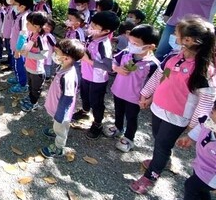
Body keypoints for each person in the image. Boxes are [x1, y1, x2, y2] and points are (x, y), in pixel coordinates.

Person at [130, 15, 216, 194]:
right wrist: (147, 94)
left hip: (177, 117)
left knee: (161, 145)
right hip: (158, 109)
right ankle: (163, 160)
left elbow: (206, 103)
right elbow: (160, 76)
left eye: (177, 34)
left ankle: (151, 175)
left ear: (189, 40)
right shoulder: (174, 57)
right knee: (159, 140)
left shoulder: (204, 70)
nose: (174, 37)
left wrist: (194, 130)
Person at [166, 96, 216, 200]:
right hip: (201, 166)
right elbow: (201, 127)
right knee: (202, 192)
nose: (212, 120)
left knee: (191, 187)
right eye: (212, 113)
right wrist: (190, 138)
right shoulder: (210, 123)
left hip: (212, 177)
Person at [104, 25, 162, 152]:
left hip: (134, 98)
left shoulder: (153, 64)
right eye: (130, 41)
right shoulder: (125, 52)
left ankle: (129, 138)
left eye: (135, 43)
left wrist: (149, 98)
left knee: (131, 117)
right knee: (118, 111)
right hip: (118, 90)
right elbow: (113, 62)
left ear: (150, 46)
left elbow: (158, 83)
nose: (131, 45)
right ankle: (118, 127)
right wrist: (117, 68)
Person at [71, 11, 120, 139]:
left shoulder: (104, 45)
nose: (90, 27)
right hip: (85, 74)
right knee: (84, 95)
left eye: (95, 26)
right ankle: (85, 111)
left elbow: (108, 67)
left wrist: (88, 60)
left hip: (97, 80)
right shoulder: (91, 37)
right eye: (91, 23)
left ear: (106, 30)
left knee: (96, 102)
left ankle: (97, 123)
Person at [41, 39, 86, 158]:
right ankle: (55, 130)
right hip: (56, 107)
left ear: (66, 58)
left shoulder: (68, 77)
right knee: (57, 125)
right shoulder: (63, 67)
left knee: (61, 128)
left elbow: (67, 98)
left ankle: (58, 148)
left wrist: (61, 115)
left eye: (57, 52)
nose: (54, 54)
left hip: (61, 111)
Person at [19, 11, 49, 112]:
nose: (26, 24)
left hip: (37, 71)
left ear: (36, 26)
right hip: (29, 67)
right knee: (31, 86)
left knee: (36, 89)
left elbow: (44, 55)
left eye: (28, 23)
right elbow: (29, 46)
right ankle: (31, 99)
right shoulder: (32, 34)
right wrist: (24, 48)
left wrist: (29, 55)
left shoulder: (40, 38)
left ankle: (33, 103)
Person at [8, 0, 34, 94]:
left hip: (20, 48)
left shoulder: (25, 17)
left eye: (15, 4)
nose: (13, 5)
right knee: (16, 64)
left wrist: (18, 50)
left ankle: (22, 84)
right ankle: (17, 78)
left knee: (20, 66)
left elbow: (23, 34)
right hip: (15, 46)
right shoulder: (20, 15)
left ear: (22, 6)